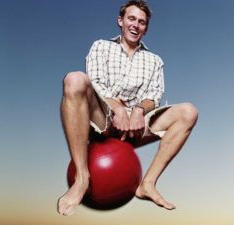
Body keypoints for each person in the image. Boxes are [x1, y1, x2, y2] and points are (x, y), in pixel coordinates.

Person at [57, 0, 198, 216]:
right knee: (74, 79)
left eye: (141, 22)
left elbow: (154, 97)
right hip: (101, 120)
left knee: (189, 111)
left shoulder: (154, 61)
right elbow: (95, 84)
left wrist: (139, 110)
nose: (136, 25)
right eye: (131, 19)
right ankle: (82, 178)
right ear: (120, 21)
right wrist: (118, 109)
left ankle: (148, 184)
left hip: (135, 127)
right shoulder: (101, 47)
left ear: (146, 29)